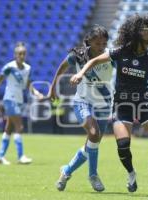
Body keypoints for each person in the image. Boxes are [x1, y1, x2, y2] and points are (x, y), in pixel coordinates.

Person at [70, 14, 148, 193]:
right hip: (121, 106)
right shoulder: (122, 52)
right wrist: (80, 74)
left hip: (144, 104)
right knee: (123, 144)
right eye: (143, 29)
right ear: (134, 33)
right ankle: (131, 174)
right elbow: (94, 60)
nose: (147, 32)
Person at [48, 25, 113, 192]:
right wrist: (53, 87)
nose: (101, 47)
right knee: (93, 133)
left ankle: (66, 171)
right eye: (98, 43)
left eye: (104, 43)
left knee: (92, 144)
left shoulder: (111, 56)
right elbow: (62, 67)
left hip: (104, 104)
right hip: (82, 101)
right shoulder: (77, 56)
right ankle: (93, 175)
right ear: (89, 42)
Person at [0, 42, 44, 165]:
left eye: (24, 53)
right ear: (15, 55)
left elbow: (29, 84)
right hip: (10, 99)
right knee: (20, 127)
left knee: (9, 128)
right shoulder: (9, 67)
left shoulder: (28, 68)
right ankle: (20, 156)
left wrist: (37, 93)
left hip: (19, 100)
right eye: (19, 54)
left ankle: (0, 156)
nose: (22, 56)